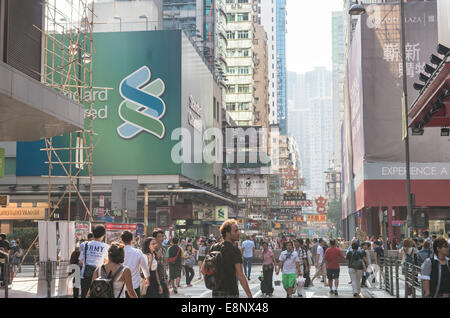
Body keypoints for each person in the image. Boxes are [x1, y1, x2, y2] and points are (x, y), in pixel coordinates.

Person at [201, 219, 252, 298]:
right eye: (235, 231)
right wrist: (249, 295)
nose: (238, 233)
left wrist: (216, 278)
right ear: (228, 233)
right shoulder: (234, 250)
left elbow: (203, 270)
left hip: (216, 293)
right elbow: (240, 275)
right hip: (231, 292)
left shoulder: (214, 247)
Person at [79, 225, 109, 298]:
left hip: (85, 275)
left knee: (84, 295)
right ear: (103, 235)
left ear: (93, 234)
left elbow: (80, 262)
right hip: (99, 277)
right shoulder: (106, 247)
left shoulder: (84, 244)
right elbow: (106, 262)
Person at [121, 231, 149, 298]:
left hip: (121, 287)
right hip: (134, 285)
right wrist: (147, 278)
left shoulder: (119, 251)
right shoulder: (138, 252)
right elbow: (144, 267)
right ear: (132, 240)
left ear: (122, 240)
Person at [152, 228, 170, 298]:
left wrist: (166, 276)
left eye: (163, 236)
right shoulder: (152, 250)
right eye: (159, 236)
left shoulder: (164, 249)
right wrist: (157, 258)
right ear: (155, 238)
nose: (162, 238)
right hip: (155, 279)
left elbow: (164, 264)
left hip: (163, 277)